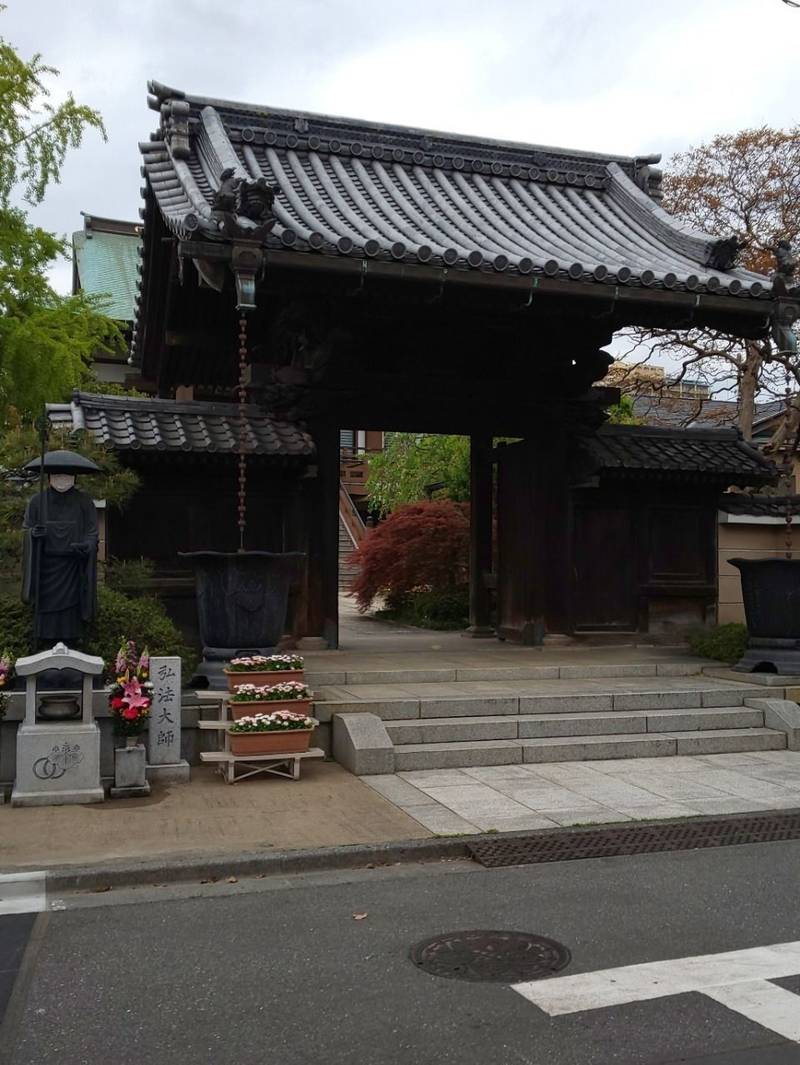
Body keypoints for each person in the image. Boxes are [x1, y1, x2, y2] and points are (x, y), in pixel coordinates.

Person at [21, 450, 100, 645]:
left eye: (67, 475)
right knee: (45, 616)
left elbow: (92, 533)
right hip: (46, 570)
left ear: (74, 477)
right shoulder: (37, 502)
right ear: (49, 477)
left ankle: (73, 642)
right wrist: (33, 534)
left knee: (71, 618)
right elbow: (26, 529)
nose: (62, 479)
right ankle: (44, 645)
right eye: (57, 475)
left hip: (72, 568)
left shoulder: (85, 502)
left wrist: (86, 545)